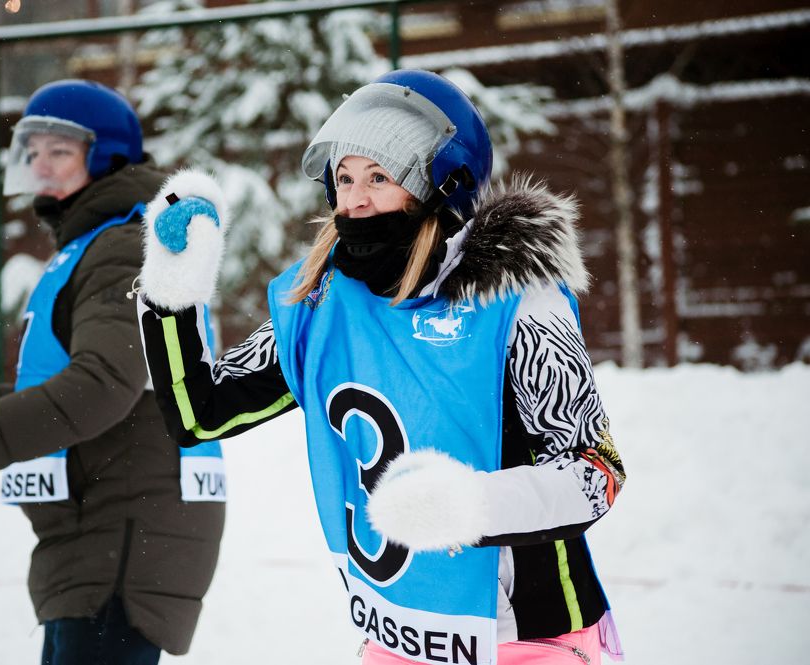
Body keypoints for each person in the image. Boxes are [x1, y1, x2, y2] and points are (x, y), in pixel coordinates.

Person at [135, 70, 628, 665]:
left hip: (530, 638)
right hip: (398, 639)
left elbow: (596, 473)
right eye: (344, 178)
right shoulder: (324, 306)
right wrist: (173, 292)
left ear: (439, 188)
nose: (356, 200)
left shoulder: (516, 302)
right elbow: (200, 412)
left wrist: (470, 506)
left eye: (379, 177)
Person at [0, 79, 225, 665]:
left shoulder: (122, 247)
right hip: (100, 536)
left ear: (107, 156)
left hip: (121, 539)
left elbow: (100, 390)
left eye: (59, 150)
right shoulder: (99, 244)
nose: (41, 165)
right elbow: (94, 389)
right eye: (32, 151)